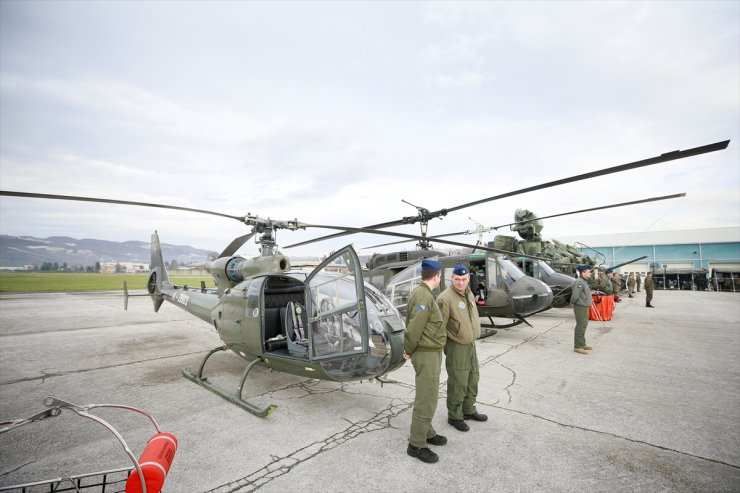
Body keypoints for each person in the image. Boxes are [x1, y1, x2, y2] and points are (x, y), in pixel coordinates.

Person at [404, 259, 447, 464]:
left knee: (430, 395)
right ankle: (416, 444)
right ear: (437, 276)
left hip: (430, 351)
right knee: (426, 398)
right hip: (425, 353)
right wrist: (407, 349)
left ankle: (427, 432)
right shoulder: (423, 295)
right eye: (440, 276)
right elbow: (414, 328)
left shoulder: (424, 294)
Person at [436, 263, 487, 433]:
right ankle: (455, 415)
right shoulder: (445, 298)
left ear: (468, 279)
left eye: (463, 279)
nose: (460, 282)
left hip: (470, 344)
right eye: (457, 279)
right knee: (458, 381)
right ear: (452, 278)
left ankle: (468, 410)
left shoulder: (468, 293)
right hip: (456, 345)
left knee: (473, 378)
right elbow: (439, 326)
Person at [570, 265, 593, 354]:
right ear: (583, 273)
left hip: (585, 306)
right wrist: (572, 302)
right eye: (588, 272)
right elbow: (575, 295)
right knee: (581, 325)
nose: (590, 273)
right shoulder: (579, 282)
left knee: (584, 325)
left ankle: (582, 343)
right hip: (581, 306)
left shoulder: (584, 281)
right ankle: (578, 346)